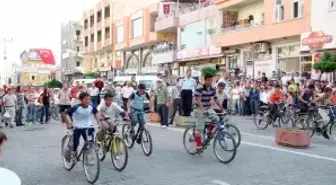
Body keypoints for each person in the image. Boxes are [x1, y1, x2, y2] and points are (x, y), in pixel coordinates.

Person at [62, 92, 100, 158]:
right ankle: (71, 152)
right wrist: (68, 123)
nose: (88, 101)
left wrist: (98, 123)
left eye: (89, 99)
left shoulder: (91, 106)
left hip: (88, 126)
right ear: (81, 100)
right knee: (76, 143)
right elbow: (64, 114)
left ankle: (88, 156)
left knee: (91, 143)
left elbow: (96, 113)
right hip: (78, 127)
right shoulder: (76, 107)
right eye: (86, 99)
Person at [194, 73, 223, 152]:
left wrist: (221, 109)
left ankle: (210, 132)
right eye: (208, 80)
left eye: (211, 80)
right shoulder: (200, 88)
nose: (210, 82)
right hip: (199, 108)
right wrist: (203, 110)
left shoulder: (213, 89)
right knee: (199, 130)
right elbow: (198, 101)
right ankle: (198, 145)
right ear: (205, 80)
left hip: (208, 107)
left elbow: (216, 99)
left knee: (217, 119)